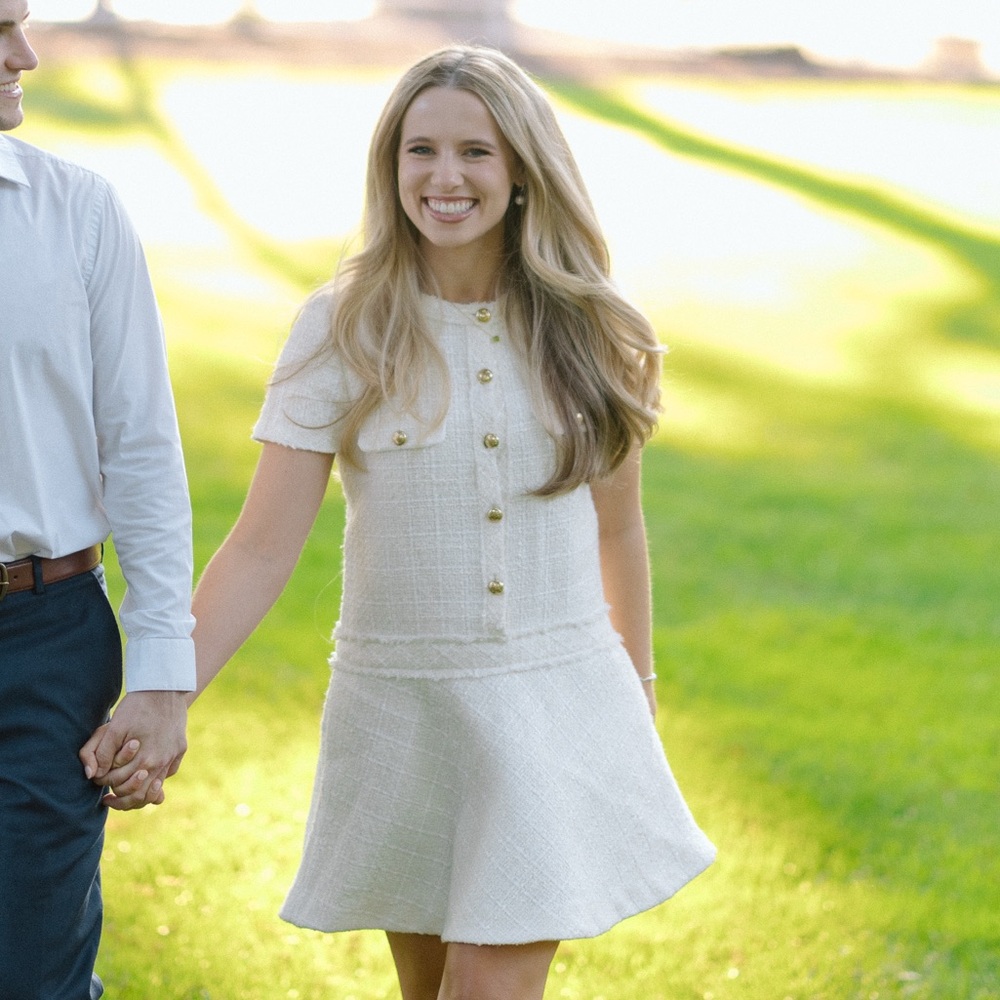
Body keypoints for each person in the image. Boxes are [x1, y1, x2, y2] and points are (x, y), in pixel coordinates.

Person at [92, 44, 716, 999]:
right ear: (391, 168)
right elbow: (262, 547)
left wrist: (638, 685)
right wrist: (168, 691)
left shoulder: (593, 329)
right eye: (419, 150)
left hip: (560, 703)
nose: (445, 177)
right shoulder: (342, 327)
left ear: (521, 172)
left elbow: (616, 529)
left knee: (484, 983)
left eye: (476, 151)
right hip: (405, 715)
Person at [0, 3, 196, 997]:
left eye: (22, 22)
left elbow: (144, 453)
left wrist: (163, 676)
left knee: (34, 975)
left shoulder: (78, 211)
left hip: (44, 639)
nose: (23, 54)